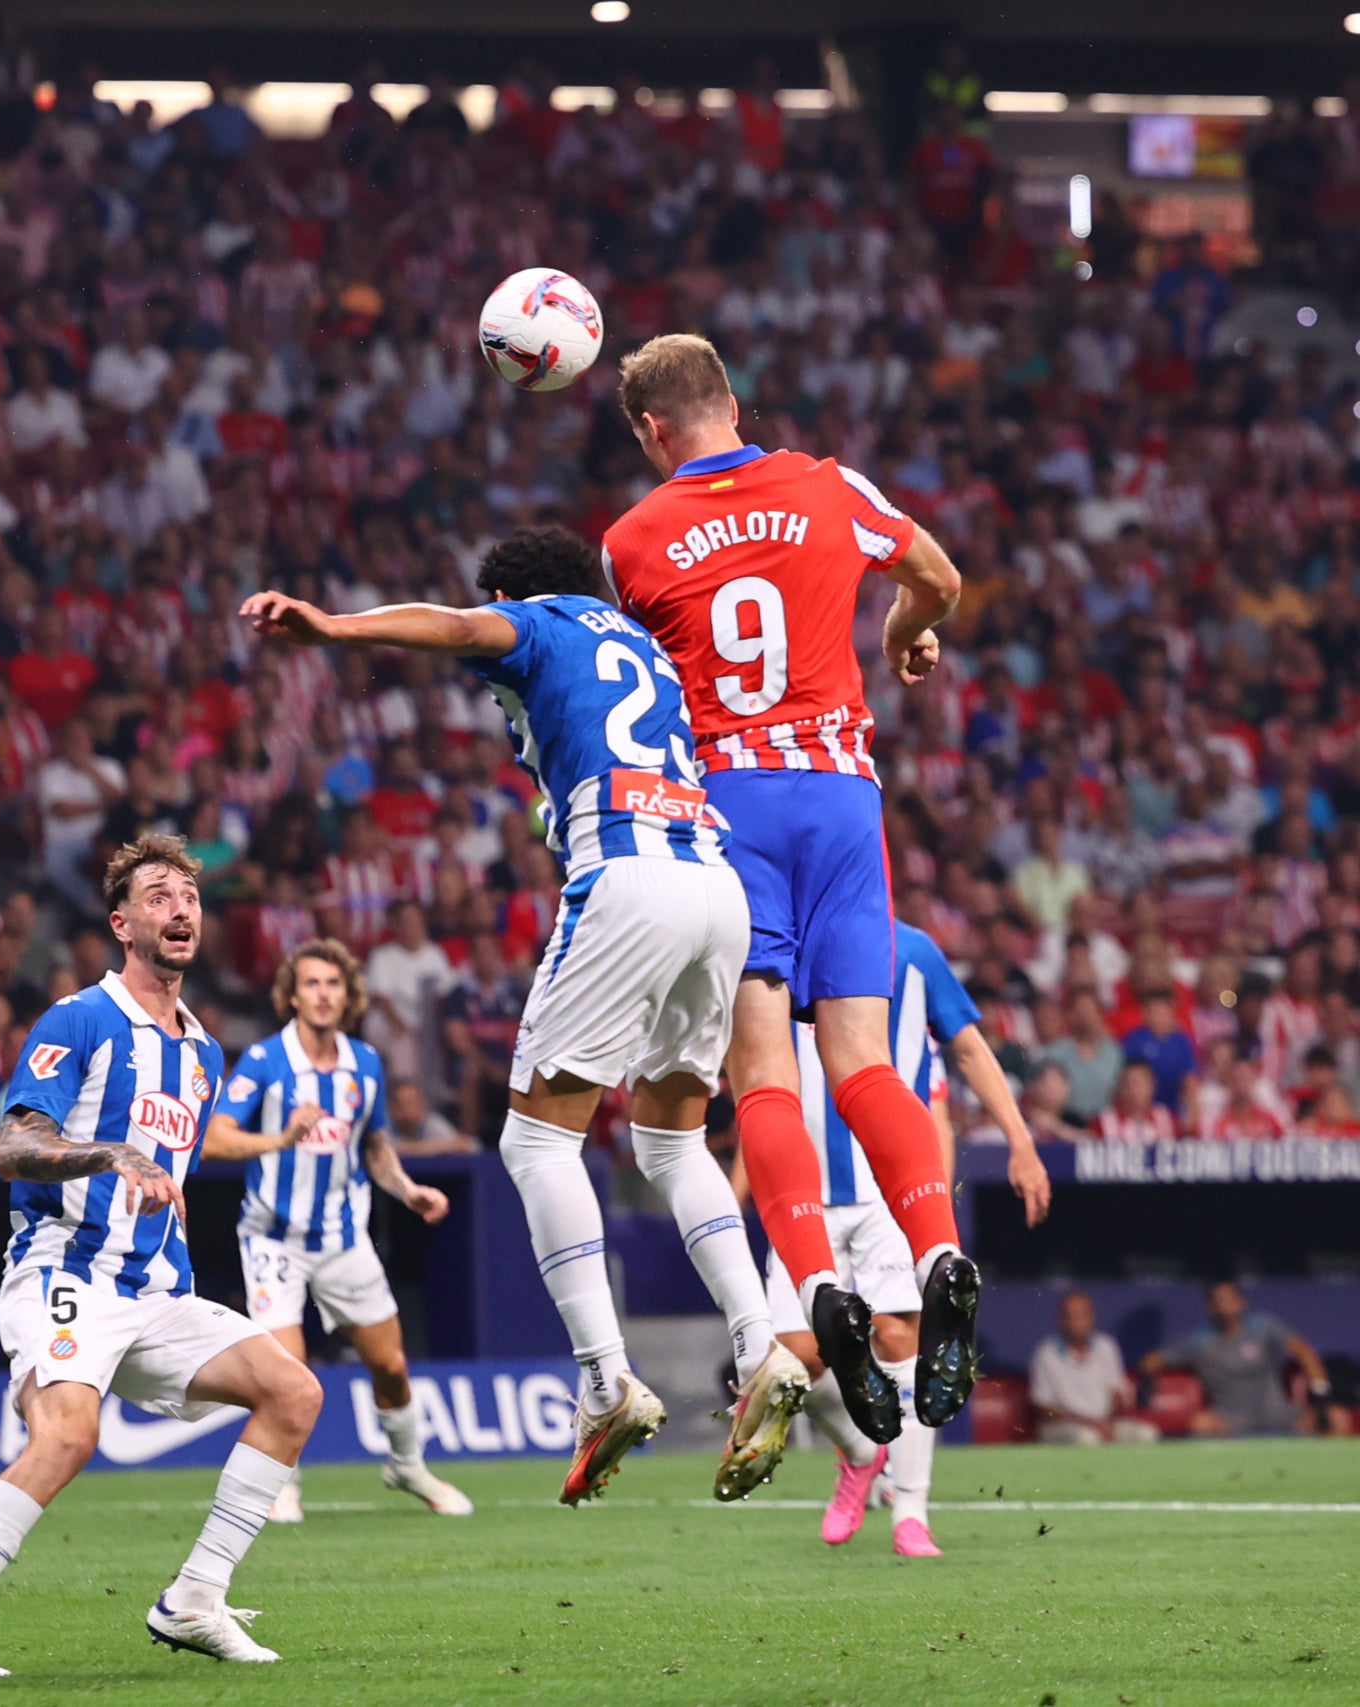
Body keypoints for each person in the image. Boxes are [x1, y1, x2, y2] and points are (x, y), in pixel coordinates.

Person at [240, 527, 811, 1506]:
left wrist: (332, 628)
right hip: (716, 889)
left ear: (513, 591)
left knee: (537, 1144)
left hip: (626, 875)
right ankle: (763, 1345)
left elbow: (459, 628)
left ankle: (602, 1380)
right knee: (672, 1146)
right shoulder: (646, 648)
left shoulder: (537, 620)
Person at [598, 332, 981, 1436]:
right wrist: (906, 637)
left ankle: (813, 1286)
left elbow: (621, 693)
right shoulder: (826, 486)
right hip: (842, 794)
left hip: (732, 806)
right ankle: (939, 1247)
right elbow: (938, 580)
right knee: (861, 1061)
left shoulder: (631, 540)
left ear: (652, 431)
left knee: (763, 1073)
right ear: (731, 401)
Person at [0, 836, 321, 1676]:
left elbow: (173, 1167)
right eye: (159, 895)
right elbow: (15, 1145)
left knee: (294, 1391)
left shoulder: (202, 1049)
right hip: (65, 1272)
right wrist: (110, 1152)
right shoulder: (80, 1017)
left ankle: (196, 1596)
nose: (181, 908)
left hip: (156, 1289)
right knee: (67, 1436)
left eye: (189, 895)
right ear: (122, 922)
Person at [768, 922, 1054, 1558]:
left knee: (902, 1339)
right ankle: (862, 1452)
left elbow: (972, 1049)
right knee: (793, 1363)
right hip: (802, 1186)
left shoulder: (914, 953)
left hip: (884, 1190)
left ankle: (912, 1513)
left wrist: (1020, 1139)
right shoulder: (779, 945)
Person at [204, 937, 471, 1521]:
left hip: (344, 1240)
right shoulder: (264, 1061)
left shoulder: (365, 1063)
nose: (323, 995)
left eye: (333, 984)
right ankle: (283, 1484)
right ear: (292, 996)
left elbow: (372, 1145)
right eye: (311, 984)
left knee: (392, 1367)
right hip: (274, 1240)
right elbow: (215, 1138)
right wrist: (279, 1139)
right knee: (289, 1376)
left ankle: (406, 1466)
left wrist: (407, 1191)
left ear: (348, 995)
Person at [1140, 1280, 1329, 1437]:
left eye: (1230, 1299)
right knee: (1201, 1423)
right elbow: (1150, 1362)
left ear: (1241, 1302)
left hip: (1278, 1413)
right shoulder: (1198, 1341)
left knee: (1336, 1416)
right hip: (1229, 1418)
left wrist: (1320, 1397)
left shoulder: (1263, 1326)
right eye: (1218, 1301)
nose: (1224, 1306)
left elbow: (1303, 1352)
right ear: (1210, 1307)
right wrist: (1148, 1383)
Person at [1027, 1291, 1159, 1446]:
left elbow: (1115, 1393)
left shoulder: (1106, 1346)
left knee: (1146, 1434)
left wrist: (1108, 1422)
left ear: (1091, 1317)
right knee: (1087, 1438)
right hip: (1063, 1426)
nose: (1076, 1321)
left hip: (1105, 1421)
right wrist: (1089, 1423)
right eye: (1070, 1315)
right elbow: (1044, 1409)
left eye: (1081, 1314)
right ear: (1060, 1320)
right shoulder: (1045, 1354)